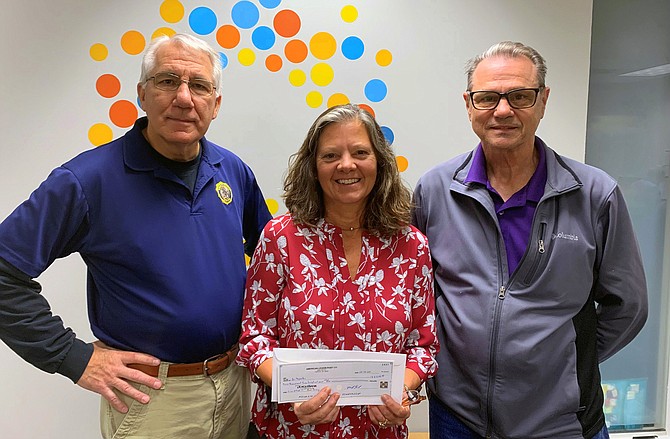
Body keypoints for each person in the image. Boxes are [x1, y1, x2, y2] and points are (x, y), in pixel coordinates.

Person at [0, 33, 272, 438]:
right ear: (142, 94)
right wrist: (71, 357)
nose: (184, 97)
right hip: (153, 401)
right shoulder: (86, 181)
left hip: (234, 384)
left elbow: (274, 261)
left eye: (199, 86)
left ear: (215, 105)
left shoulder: (232, 171)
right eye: (167, 81)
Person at [412, 41, 648, 439]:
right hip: (458, 418)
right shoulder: (435, 191)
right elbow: (417, 297)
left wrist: (562, 365)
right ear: (469, 105)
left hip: (561, 423)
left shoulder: (593, 194)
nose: (503, 111)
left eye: (519, 96)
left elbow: (628, 306)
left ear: (543, 100)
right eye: (487, 98)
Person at [237, 104, 438, 438]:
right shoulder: (280, 238)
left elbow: (423, 345)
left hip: (379, 431)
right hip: (292, 427)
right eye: (330, 155)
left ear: (380, 162)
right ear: (313, 167)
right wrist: (292, 390)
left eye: (360, 152)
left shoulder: (411, 246)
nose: (347, 165)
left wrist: (403, 391)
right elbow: (255, 338)